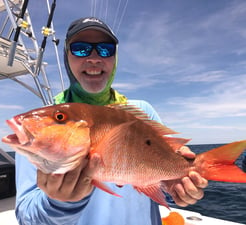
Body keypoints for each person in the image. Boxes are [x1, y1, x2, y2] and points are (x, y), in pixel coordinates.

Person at [15, 17, 208, 225]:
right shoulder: (43, 126)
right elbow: (28, 218)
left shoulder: (142, 112)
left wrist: (177, 187)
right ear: (66, 57)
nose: (94, 58)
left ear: (115, 59)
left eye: (106, 49)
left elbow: (161, 188)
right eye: (81, 49)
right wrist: (60, 204)